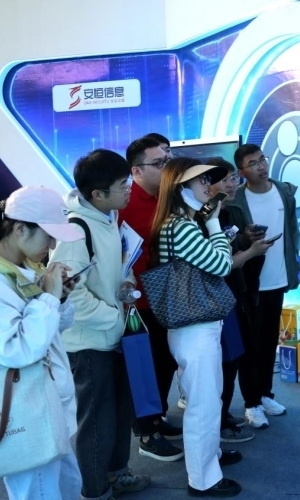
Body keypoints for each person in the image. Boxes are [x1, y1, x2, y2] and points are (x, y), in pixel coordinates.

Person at [0, 186, 84, 499]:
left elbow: (50, 332)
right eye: (48, 236)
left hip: (43, 402)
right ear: (19, 228)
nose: (52, 246)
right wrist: (48, 298)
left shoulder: (21, 268)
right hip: (25, 408)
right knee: (40, 491)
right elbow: (17, 350)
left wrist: (58, 298)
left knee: (64, 486)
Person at [50, 149, 151, 500]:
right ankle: (94, 491)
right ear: (97, 194)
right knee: (96, 420)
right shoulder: (75, 231)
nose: (129, 190)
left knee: (120, 410)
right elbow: (70, 294)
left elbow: (118, 267)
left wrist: (126, 284)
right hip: (89, 342)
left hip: (114, 334)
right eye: (123, 185)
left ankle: (117, 473)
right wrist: (113, 316)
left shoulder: (108, 217)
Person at [147, 157, 241, 497]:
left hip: (195, 325)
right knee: (203, 404)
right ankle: (203, 479)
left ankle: (209, 458)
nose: (207, 185)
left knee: (208, 398)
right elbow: (221, 264)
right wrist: (214, 224)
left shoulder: (180, 223)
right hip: (194, 327)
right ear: (180, 186)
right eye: (200, 180)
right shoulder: (181, 226)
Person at [227, 143, 300, 429]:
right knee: (250, 345)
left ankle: (265, 394)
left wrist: (293, 266)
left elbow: (292, 232)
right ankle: (252, 403)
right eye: (253, 163)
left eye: (262, 160)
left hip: (277, 279)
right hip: (249, 284)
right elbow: (231, 241)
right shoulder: (235, 200)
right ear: (242, 172)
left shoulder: (283, 192)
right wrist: (246, 240)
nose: (261, 166)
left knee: (270, 341)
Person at [120, 136, 184, 461]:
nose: (167, 167)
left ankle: (156, 418)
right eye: (159, 163)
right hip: (139, 302)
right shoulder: (123, 204)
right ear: (136, 171)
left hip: (169, 296)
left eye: (168, 160)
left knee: (166, 362)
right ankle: (146, 433)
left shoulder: (170, 197)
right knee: (145, 368)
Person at [207, 157, 273, 443]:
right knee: (221, 365)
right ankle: (217, 424)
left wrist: (246, 242)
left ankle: (222, 417)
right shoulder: (202, 219)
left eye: (234, 178)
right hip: (214, 303)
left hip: (234, 297)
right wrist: (251, 252)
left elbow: (231, 252)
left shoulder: (230, 212)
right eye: (225, 179)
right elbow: (219, 264)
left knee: (232, 360)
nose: (232, 184)